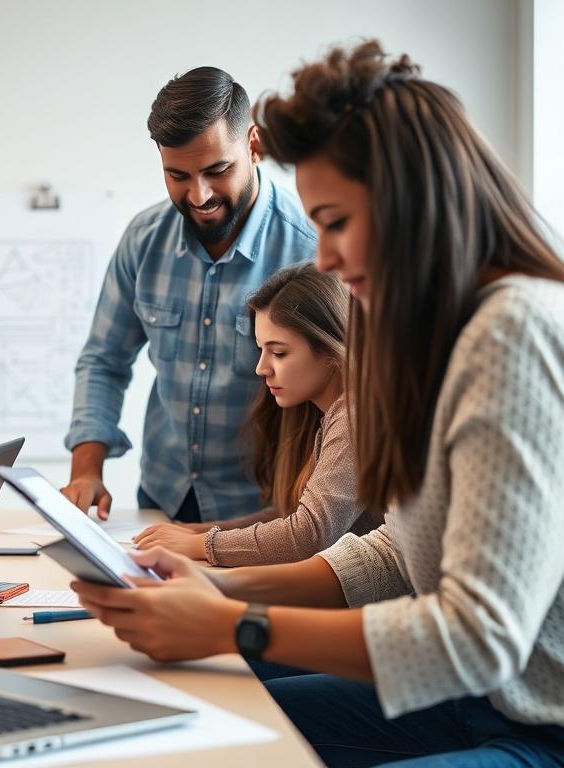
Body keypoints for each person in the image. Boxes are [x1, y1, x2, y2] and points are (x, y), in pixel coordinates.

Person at [73, 40, 564, 766]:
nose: (324, 259)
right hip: (459, 701)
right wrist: (218, 584)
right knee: (188, 720)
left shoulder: (513, 331)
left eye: (335, 222)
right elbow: (396, 551)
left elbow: (478, 639)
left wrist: (234, 624)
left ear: (410, 201)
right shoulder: (426, 333)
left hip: (535, 724)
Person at [62, 66, 316, 525]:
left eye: (217, 171)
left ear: (253, 145)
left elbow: (342, 397)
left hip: (269, 510)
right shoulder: (143, 238)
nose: (198, 196)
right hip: (164, 496)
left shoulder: (310, 251)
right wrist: (86, 471)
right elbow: (103, 360)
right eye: (177, 175)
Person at [133, 262, 382, 565]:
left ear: (331, 348)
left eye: (279, 353)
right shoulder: (327, 415)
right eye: (261, 349)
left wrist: (201, 544)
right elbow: (290, 514)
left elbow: (308, 534)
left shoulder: (354, 416)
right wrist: (195, 532)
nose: (261, 368)